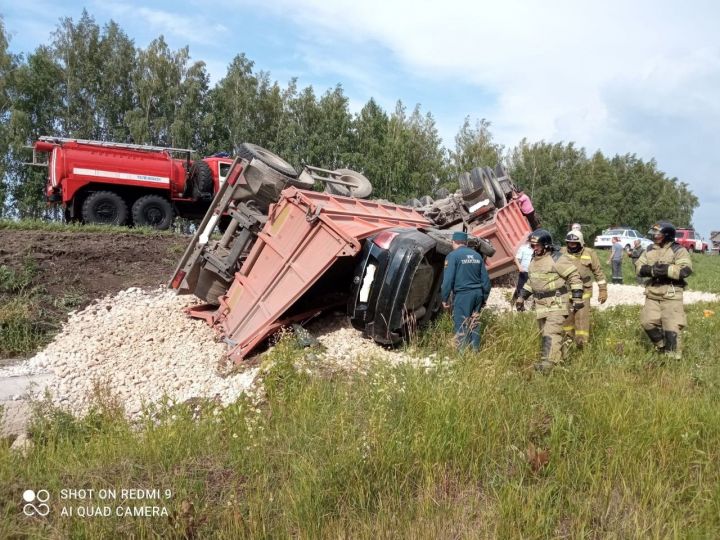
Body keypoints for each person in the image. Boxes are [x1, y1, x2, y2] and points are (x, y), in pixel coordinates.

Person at [515, 229, 584, 373]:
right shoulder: (535, 259)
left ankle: (548, 364)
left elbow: (574, 277)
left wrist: (577, 298)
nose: (533, 249)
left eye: (536, 246)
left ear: (546, 245)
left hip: (557, 303)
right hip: (541, 305)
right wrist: (521, 297)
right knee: (548, 333)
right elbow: (532, 281)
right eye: (532, 246)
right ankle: (563, 361)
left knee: (550, 332)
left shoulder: (557, 258)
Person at [636, 221, 692, 359]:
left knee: (671, 327)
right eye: (654, 233)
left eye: (658, 234)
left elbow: (686, 270)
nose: (655, 236)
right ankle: (661, 347)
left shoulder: (678, 250)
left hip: (671, 293)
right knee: (647, 322)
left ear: (667, 235)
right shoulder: (649, 249)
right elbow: (639, 268)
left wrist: (666, 270)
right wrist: (652, 270)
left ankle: (673, 360)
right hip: (653, 292)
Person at [441, 231, 492, 350]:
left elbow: (448, 280)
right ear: (466, 242)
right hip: (478, 294)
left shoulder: (453, 256)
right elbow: (486, 281)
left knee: (461, 323)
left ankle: (462, 355)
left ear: (454, 242)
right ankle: (475, 351)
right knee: (475, 323)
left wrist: (444, 298)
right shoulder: (477, 256)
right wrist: (484, 298)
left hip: (463, 295)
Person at [560, 230, 608, 347]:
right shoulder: (561, 252)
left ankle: (582, 344)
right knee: (566, 319)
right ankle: (567, 343)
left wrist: (603, 290)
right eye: (569, 243)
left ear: (581, 243)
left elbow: (598, 272)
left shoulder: (590, 253)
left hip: (583, 292)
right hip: (565, 291)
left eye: (574, 243)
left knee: (581, 319)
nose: (571, 246)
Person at [512, 235, 533, 302]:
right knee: (520, 288)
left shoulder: (538, 249)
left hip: (534, 272)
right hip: (524, 272)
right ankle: (513, 303)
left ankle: (532, 305)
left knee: (533, 289)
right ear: (529, 240)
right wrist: (519, 267)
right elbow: (516, 259)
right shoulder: (523, 248)